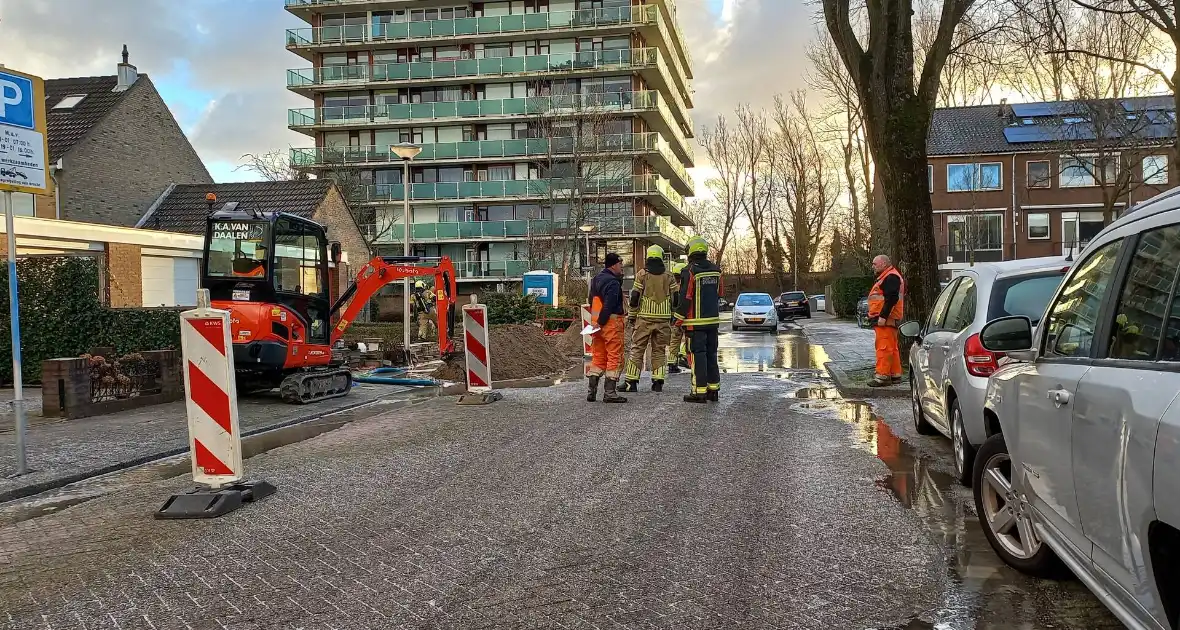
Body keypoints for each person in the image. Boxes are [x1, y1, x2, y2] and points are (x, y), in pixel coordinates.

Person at [620, 245, 679, 393]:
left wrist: (632, 316)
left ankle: (631, 383)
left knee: (637, 349)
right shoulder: (669, 276)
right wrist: (673, 315)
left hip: (644, 319)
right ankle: (658, 382)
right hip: (663, 320)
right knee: (659, 350)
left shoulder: (642, 274)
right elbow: (676, 299)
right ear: (661, 257)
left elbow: (635, 298)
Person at [673, 236, 722, 403]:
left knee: (697, 356)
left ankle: (698, 392)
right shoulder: (716, 270)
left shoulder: (690, 271)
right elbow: (720, 294)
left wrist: (677, 320)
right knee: (712, 355)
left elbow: (685, 298)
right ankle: (713, 390)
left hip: (695, 324)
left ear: (690, 252)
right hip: (713, 322)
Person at [587, 252, 628, 403]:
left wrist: (597, 323)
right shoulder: (613, 282)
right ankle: (610, 392)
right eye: (621, 265)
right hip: (610, 324)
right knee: (614, 357)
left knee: (598, 357)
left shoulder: (596, 279)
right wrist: (603, 321)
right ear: (614, 265)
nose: (622, 268)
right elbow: (609, 304)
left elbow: (592, 300)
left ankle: (591, 391)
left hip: (596, 324)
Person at [867, 254, 905, 387]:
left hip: (885, 319)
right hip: (889, 319)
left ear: (884, 264)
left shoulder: (890, 277)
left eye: (875, 264)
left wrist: (882, 316)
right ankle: (895, 375)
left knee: (883, 348)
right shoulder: (890, 276)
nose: (873, 266)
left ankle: (882, 377)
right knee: (891, 348)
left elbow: (891, 298)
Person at [666, 260, 688, 374]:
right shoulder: (686, 287)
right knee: (689, 338)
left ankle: (672, 364)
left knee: (674, 341)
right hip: (685, 318)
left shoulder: (671, 287)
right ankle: (684, 356)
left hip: (674, 319)